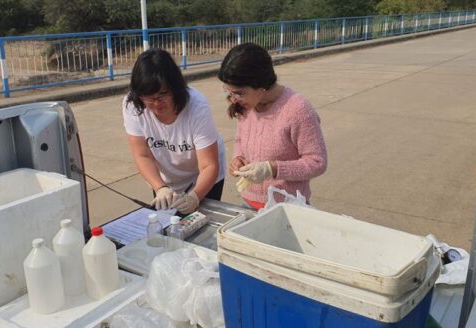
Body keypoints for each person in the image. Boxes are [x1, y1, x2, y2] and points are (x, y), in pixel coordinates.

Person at [217, 43, 327, 210]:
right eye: (229, 92)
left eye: (239, 93)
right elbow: (240, 140)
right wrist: (237, 159)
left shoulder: (298, 109)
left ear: (262, 87)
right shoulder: (247, 107)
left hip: (288, 206)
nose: (233, 100)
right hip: (249, 202)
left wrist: (272, 168)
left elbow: (317, 162)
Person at [123, 48, 226, 214]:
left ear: (176, 88)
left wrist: (195, 197)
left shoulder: (196, 106)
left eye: (163, 94)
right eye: (149, 97)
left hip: (203, 176)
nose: (156, 103)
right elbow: (142, 155)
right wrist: (160, 187)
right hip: (165, 179)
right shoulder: (133, 105)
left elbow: (209, 165)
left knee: (201, 226)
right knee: (166, 224)